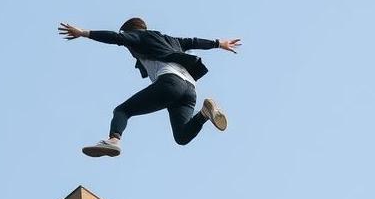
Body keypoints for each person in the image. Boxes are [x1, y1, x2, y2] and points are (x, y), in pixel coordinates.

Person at [58, 18, 241, 157]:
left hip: (170, 83)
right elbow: (192, 42)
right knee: (182, 137)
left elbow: (116, 38)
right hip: (190, 89)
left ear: (131, 32)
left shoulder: (138, 36)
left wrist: (83, 33)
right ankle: (204, 113)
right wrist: (218, 43)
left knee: (122, 111)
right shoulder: (169, 39)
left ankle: (113, 140)